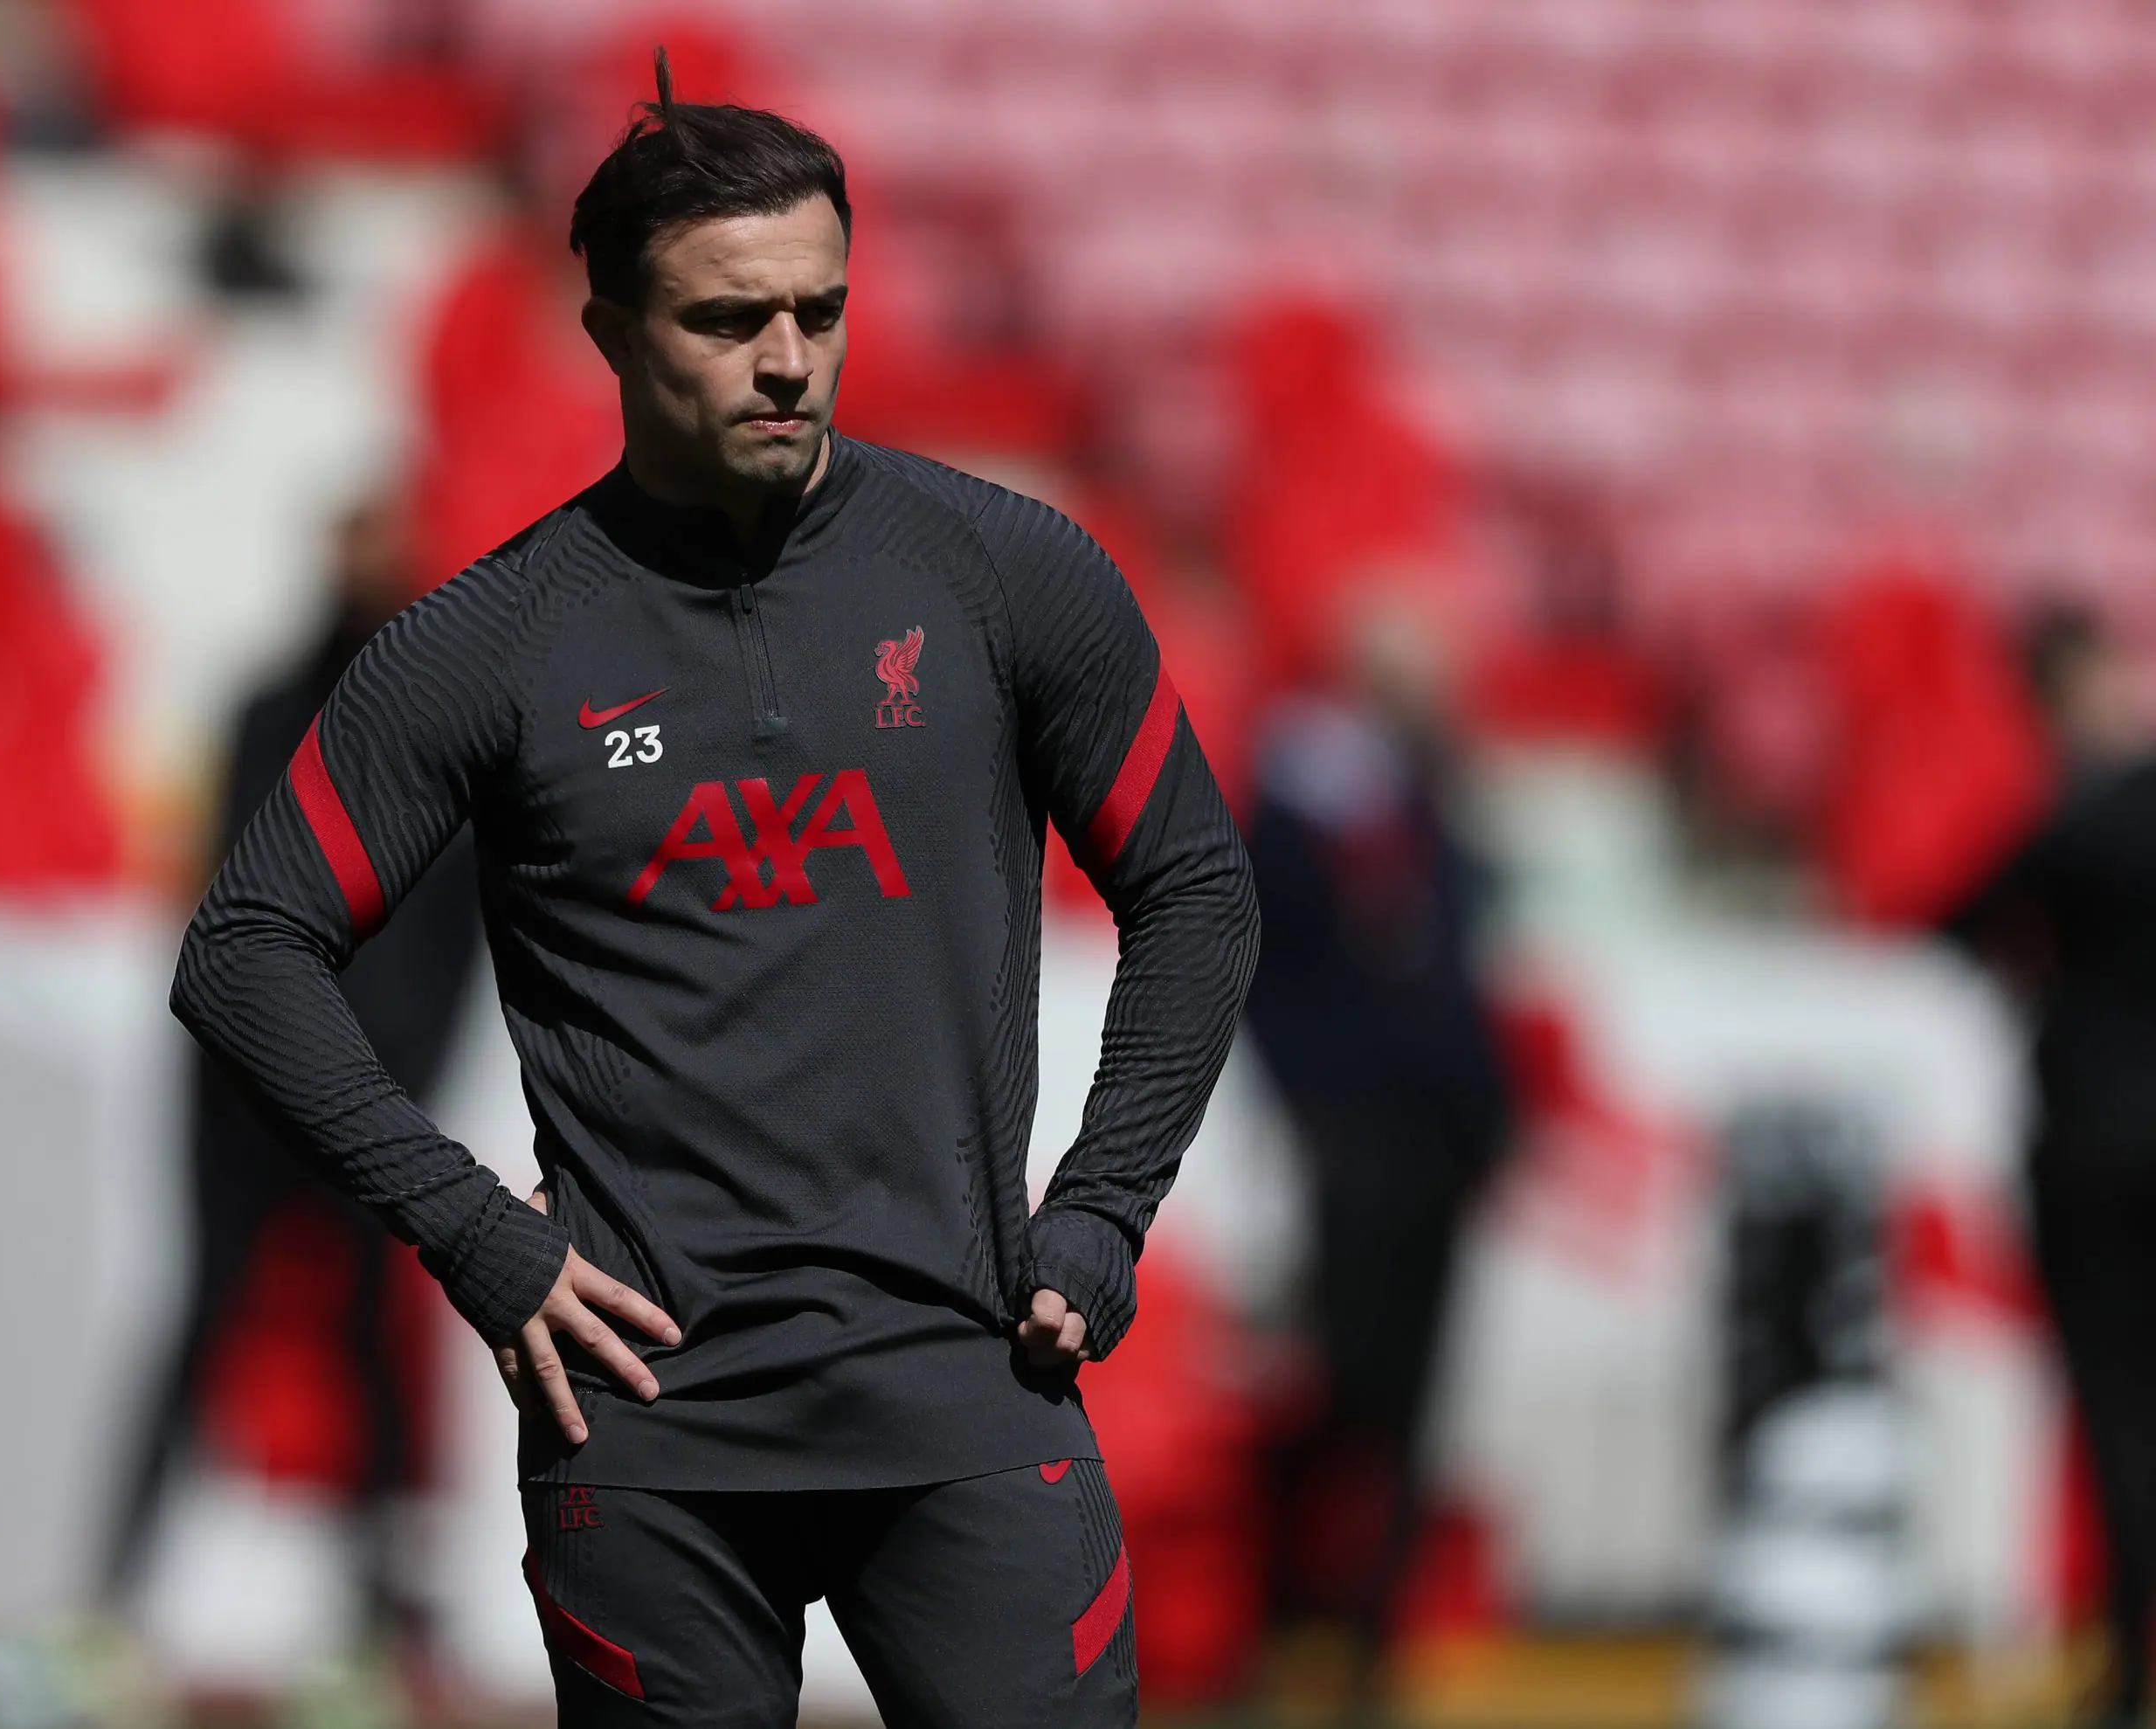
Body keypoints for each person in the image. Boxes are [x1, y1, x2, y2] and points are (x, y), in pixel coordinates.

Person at [169, 52, 1258, 1728]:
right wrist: (472, 1230)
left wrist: (1105, 1206)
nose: (788, 359)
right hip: (647, 1436)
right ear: (610, 331)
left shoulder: (1005, 572)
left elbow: (1194, 884)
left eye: (822, 310)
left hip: (972, 1392)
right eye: (728, 319)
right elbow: (247, 949)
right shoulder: (491, 642)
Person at [105, 496, 485, 1638]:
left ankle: (388, 1606)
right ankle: (120, 1585)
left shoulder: (453, 744)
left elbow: (458, 947)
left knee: (374, 1334)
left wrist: (403, 1089)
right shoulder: (267, 714)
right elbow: (221, 909)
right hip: (242, 1092)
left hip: (370, 1093)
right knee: (206, 1316)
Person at [1240, 590, 1511, 1708]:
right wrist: (1316, 1107)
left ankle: (1369, 1638)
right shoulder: (1305, 796)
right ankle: (1280, 1620)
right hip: (1353, 1143)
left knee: (1408, 1400)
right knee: (1330, 1389)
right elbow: (1266, 964)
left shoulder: (1427, 800)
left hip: (1433, 1142)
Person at [1950, 605, 2156, 1728]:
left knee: (2118, 1408)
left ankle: (2127, 1666)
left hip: (2091, 1150)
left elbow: (1953, 921)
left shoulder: (2068, 825)